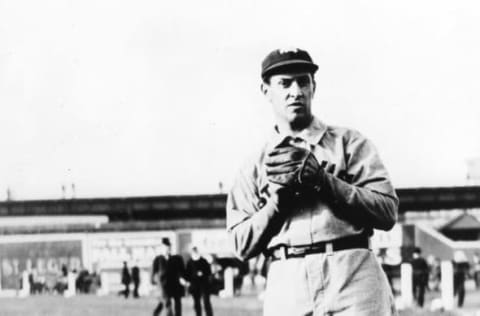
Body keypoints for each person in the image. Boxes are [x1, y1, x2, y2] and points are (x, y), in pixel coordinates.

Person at [226, 47, 399, 316]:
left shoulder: (349, 143)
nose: (296, 91)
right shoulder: (255, 164)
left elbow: (387, 212)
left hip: (351, 270)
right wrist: (277, 205)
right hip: (288, 276)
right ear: (266, 90)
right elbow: (241, 244)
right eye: (284, 83)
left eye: (303, 81)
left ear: (313, 87)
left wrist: (325, 182)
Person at [151, 237, 187, 316]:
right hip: (163, 285)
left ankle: (155, 313)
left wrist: (182, 278)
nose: (167, 249)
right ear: (162, 248)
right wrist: (154, 283)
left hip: (174, 284)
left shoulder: (176, 259)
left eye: (169, 247)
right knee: (167, 303)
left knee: (176, 302)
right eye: (165, 248)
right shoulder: (158, 259)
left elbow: (181, 271)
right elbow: (153, 274)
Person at [186, 246, 214, 316]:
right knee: (196, 303)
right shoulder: (189, 262)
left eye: (196, 251)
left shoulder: (203, 261)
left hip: (204, 285)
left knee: (206, 302)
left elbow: (209, 272)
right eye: (193, 252)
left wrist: (203, 273)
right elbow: (187, 274)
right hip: (194, 286)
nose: (195, 253)